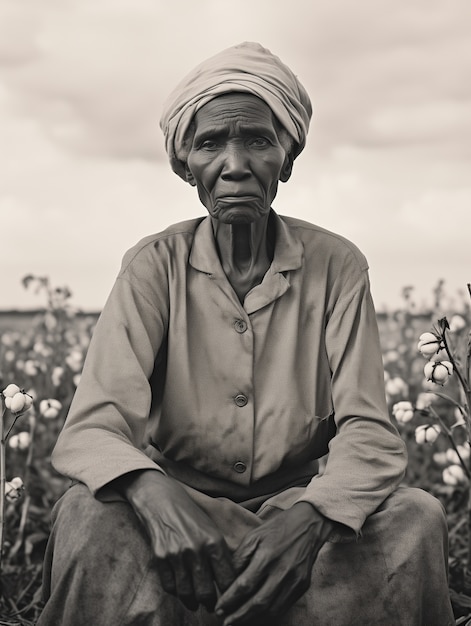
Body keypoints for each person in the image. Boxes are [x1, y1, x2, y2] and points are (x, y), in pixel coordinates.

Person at [38, 42, 454, 626]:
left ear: (286, 157)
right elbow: (94, 426)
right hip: (178, 503)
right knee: (87, 515)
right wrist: (157, 498)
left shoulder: (338, 267)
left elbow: (369, 430)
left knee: (415, 516)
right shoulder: (152, 267)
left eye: (258, 140)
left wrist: (312, 519)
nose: (235, 163)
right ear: (186, 165)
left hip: (298, 506)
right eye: (211, 143)